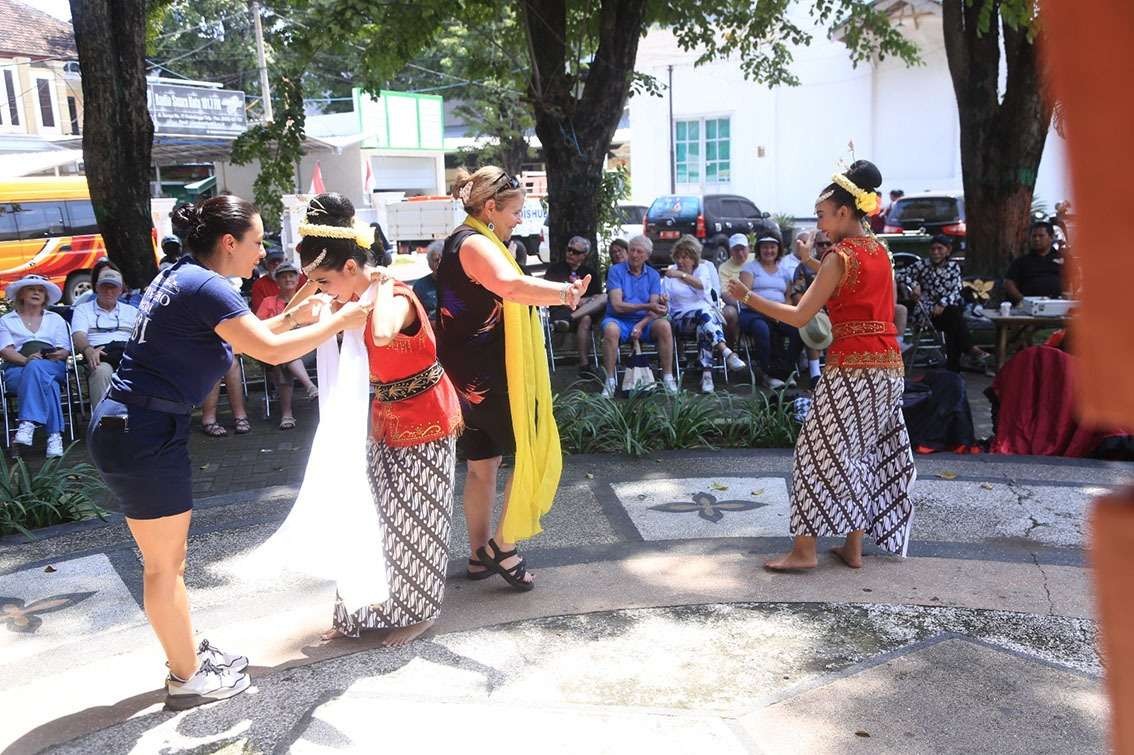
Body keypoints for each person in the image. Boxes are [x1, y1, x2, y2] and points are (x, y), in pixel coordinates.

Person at [86, 195, 369, 709]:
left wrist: (290, 319)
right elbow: (270, 352)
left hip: (137, 426)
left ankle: (188, 656)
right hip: (143, 431)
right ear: (229, 242)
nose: (261, 254)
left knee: (169, 562)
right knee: (163, 567)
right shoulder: (209, 286)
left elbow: (240, 339)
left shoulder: (184, 276)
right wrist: (340, 320)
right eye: (258, 242)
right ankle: (187, 677)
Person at [727, 160, 916, 572]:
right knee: (863, 453)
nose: (820, 223)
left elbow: (798, 316)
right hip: (889, 367)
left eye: (822, 215)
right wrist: (812, 262)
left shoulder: (840, 255)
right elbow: (855, 284)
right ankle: (854, 548)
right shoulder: (880, 250)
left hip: (852, 369)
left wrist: (747, 297)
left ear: (844, 212)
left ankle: (805, 551)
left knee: (813, 455)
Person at [293, 193, 463, 645]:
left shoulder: (396, 297)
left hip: (427, 417)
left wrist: (384, 280)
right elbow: (296, 310)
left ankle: (419, 612)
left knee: (417, 518)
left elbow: (385, 333)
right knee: (373, 517)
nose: (321, 290)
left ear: (351, 269)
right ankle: (360, 614)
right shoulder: (347, 298)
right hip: (384, 417)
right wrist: (320, 276)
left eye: (325, 280)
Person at [437, 166, 590, 591]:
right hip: (489, 378)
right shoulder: (475, 245)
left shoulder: (462, 240)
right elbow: (512, 287)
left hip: (468, 376)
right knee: (533, 451)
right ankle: (502, 547)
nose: (519, 219)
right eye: (515, 211)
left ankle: (478, 554)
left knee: (483, 465)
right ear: (489, 208)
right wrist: (564, 294)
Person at [0, 275, 71, 457]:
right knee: (48, 383)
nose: (36, 293)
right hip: (17, 369)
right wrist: (27, 361)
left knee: (39, 370)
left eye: (40, 290)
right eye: (32, 289)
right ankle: (54, 436)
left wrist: (56, 354)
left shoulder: (55, 319)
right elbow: (5, 350)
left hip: (52, 366)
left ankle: (28, 422)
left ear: (45, 297)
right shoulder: (6, 320)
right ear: (21, 294)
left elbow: (65, 351)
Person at [664, 235, 746, 393]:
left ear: (694, 258)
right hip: (681, 319)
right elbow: (665, 299)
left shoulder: (703, 269)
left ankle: (707, 376)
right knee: (705, 316)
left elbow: (702, 286)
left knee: (704, 326)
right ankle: (726, 352)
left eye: (686, 256)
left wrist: (682, 275)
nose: (681, 260)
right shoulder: (670, 272)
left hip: (704, 318)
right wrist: (663, 299)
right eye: (679, 256)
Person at [599, 235, 677, 397]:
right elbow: (617, 305)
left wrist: (641, 324)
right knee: (611, 330)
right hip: (619, 319)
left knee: (664, 325)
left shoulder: (654, 275)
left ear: (647, 256)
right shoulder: (616, 271)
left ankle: (668, 377)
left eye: (639, 252)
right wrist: (647, 305)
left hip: (645, 321)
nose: (634, 255)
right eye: (632, 250)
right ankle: (610, 381)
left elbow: (655, 308)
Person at [899, 234, 991, 372]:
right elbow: (899, 274)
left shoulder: (953, 267)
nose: (936, 252)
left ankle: (954, 365)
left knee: (953, 320)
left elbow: (956, 290)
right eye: (933, 249)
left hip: (947, 309)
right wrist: (914, 284)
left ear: (948, 250)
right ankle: (968, 350)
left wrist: (942, 303)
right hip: (928, 312)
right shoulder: (922, 265)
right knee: (955, 318)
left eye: (940, 249)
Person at [255, 261, 319, 429]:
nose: (288, 279)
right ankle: (311, 388)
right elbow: (260, 328)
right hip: (279, 350)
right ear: (277, 282)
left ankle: (287, 414)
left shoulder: (308, 300)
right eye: (283, 276)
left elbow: (318, 324)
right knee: (284, 356)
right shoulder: (268, 302)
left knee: (284, 357)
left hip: (307, 349)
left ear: (298, 279)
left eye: (292, 275)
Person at [740, 234, 804, 389]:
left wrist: (784, 312)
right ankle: (767, 374)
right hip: (753, 312)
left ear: (778, 249)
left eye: (772, 247)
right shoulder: (750, 268)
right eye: (765, 247)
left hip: (778, 312)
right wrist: (768, 312)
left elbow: (788, 296)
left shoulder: (783, 269)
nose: (769, 250)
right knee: (762, 329)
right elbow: (745, 296)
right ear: (759, 249)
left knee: (799, 330)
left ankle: (785, 371)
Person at [70, 269, 140, 404]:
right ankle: (104, 421)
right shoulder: (83, 309)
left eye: (113, 287)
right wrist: (88, 350)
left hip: (128, 356)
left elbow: (143, 337)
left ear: (121, 290)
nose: (109, 291)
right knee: (101, 372)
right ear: (96, 288)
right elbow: (78, 335)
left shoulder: (132, 311)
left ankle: (141, 420)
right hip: (98, 356)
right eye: (104, 286)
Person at [544, 236, 603, 377]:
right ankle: (584, 365)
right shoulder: (555, 270)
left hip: (578, 312)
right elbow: (548, 293)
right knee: (585, 318)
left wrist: (580, 300)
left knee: (590, 314)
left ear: (584, 255)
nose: (570, 253)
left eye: (575, 252)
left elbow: (597, 297)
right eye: (569, 250)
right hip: (560, 309)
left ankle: (584, 364)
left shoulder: (590, 273)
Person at [791, 229, 830, 386]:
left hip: (839, 312)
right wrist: (811, 309)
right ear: (815, 246)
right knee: (813, 321)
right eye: (821, 244)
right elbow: (796, 294)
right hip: (815, 312)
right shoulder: (804, 267)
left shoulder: (842, 264)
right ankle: (815, 374)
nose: (825, 247)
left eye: (829, 243)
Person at [1004, 220, 1066, 304]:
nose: (1036, 239)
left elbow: (1075, 279)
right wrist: (1023, 301)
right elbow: (1008, 283)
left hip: (1058, 304)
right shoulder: (1021, 261)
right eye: (1034, 236)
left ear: (1051, 238)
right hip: (1029, 306)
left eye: (1041, 236)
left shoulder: (1064, 259)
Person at [718, 233, 752, 347]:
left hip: (759, 299)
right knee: (728, 313)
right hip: (737, 303)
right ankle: (731, 349)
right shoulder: (724, 267)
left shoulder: (756, 260)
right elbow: (725, 293)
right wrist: (744, 303)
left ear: (749, 248)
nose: (740, 253)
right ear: (730, 251)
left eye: (742, 249)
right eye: (736, 250)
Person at [250, 247, 308, 313]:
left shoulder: (300, 278)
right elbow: (259, 313)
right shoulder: (259, 285)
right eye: (272, 262)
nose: (276, 264)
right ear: (266, 264)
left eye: (279, 260)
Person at [411, 240, 443, 325]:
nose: (439, 264)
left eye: (443, 259)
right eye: (436, 260)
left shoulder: (459, 283)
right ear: (429, 263)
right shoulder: (420, 286)